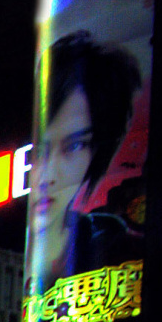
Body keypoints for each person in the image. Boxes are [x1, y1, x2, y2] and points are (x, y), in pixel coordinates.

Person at [30, 33, 147, 295]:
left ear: (96, 154)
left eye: (73, 146)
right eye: (40, 150)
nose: (47, 175)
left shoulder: (124, 256)